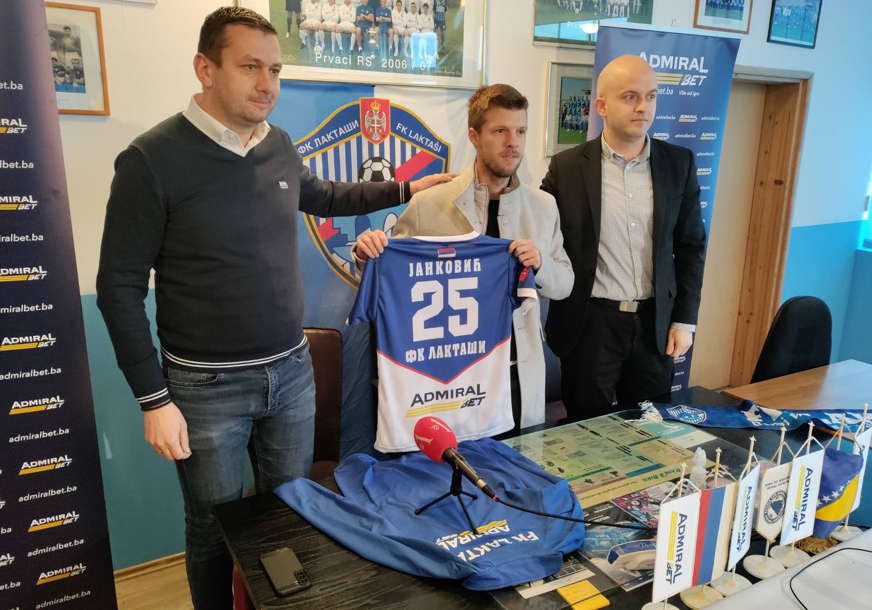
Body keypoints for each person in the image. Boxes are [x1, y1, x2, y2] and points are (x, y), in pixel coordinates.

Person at [96, 8, 450, 609]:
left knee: (290, 513)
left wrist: (404, 188)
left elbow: (325, 195)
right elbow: (117, 288)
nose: (267, 85)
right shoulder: (151, 159)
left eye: (276, 70)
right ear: (205, 68)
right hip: (206, 389)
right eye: (250, 67)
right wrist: (154, 400)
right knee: (214, 528)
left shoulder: (278, 145)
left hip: (290, 374)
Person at [353, 84, 574, 431]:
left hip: (517, 377)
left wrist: (541, 263)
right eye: (500, 131)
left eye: (520, 131)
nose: (513, 143)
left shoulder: (544, 207)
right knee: (451, 464)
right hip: (450, 383)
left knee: (517, 463)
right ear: (474, 136)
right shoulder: (429, 204)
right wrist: (367, 255)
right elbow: (390, 279)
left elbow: (565, 285)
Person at [541, 54, 705, 421]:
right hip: (590, 326)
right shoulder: (567, 168)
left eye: (651, 96)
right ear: (601, 106)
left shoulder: (679, 164)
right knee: (585, 432)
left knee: (650, 430)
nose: (643, 107)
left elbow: (691, 248)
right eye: (630, 97)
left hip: (654, 327)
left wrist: (684, 320)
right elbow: (536, 224)